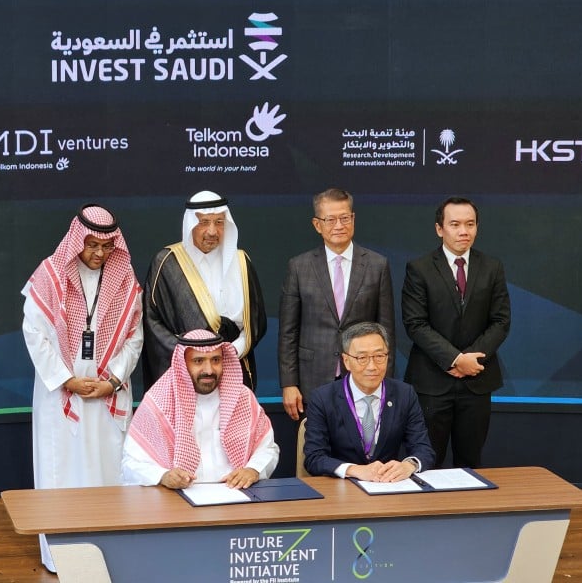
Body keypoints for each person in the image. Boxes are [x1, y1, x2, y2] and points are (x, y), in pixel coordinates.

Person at [21, 204, 143, 572]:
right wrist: (67, 379)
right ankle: (62, 556)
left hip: (109, 393)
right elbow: (35, 335)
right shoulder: (50, 275)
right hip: (61, 393)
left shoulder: (124, 280)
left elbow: (134, 338)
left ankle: (111, 550)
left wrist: (111, 381)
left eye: (106, 247)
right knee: (63, 474)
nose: (99, 253)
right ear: (77, 241)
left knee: (109, 472)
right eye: (91, 245)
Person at [402, 196, 511, 468]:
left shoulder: (492, 267)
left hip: (477, 380)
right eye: (455, 224)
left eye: (470, 224)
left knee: (470, 461)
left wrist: (471, 361)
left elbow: (500, 321)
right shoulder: (419, 268)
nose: (464, 231)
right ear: (440, 229)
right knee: (427, 461)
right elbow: (415, 324)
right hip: (431, 382)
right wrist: (454, 359)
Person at [277, 188, 395, 421]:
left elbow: (386, 329)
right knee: (316, 450)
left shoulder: (376, 265)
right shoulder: (299, 267)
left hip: (364, 377)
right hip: (313, 379)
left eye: (344, 218)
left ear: (353, 219)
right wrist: (289, 383)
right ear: (317, 224)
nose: (338, 225)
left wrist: (385, 380)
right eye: (330, 219)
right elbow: (288, 331)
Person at [142, 191, 267, 392]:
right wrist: (195, 357)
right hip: (186, 372)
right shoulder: (167, 263)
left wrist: (231, 351)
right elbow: (152, 323)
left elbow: (256, 322)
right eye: (204, 222)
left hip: (235, 366)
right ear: (190, 224)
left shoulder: (241, 262)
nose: (212, 231)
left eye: (219, 222)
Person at [122, 329, 279, 489]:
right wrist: (163, 476)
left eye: (216, 360)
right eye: (198, 361)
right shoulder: (158, 401)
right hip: (178, 499)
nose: (209, 370)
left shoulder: (243, 398)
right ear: (183, 363)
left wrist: (253, 469)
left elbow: (267, 448)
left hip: (234, 494)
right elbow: (132, 462)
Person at [303, 322, 434, 481]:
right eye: (362, 358)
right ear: (346, 361)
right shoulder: (323, 398)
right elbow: (314, 458)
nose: (372, 366)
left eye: (379, 356)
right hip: (342, 490)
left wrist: (408, 465)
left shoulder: (404, 394)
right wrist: (355, 470)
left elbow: (423, 449)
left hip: (389, 486)